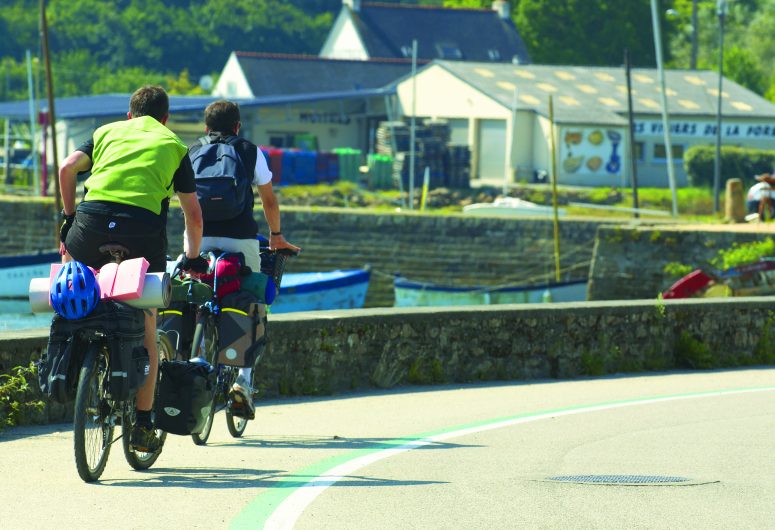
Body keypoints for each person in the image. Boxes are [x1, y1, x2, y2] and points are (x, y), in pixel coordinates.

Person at [58, 85, 209, 452]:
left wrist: (68, 218)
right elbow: (193, 215)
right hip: (142, 233)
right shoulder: (174, 145)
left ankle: (74, 345)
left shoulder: (105, 132)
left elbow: (66, 169)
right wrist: (191, 256)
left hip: (91, 224)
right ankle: (142, 424)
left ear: (129, 114)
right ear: (165, 118)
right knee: (147, 321)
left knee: (71, 269)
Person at [189, 99, 300, 419]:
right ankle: (242, 381)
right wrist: (276, 235)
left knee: (194, 296)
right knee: (249, 299)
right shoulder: (251, 151)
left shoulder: (192, 150)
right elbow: (269, 201)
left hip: (199, 236)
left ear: (206, 127)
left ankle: (192, 355)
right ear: (238, 127)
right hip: (240, 238)